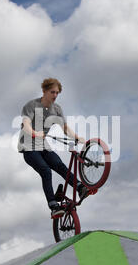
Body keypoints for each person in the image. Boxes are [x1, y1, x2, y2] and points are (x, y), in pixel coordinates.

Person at [18, 78, 90, 218]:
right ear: (44, 91)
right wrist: (34, 133)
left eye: (57, 93)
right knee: (46, 171)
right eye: (52, 92)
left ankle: (80, 188)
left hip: (44, 146)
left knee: (59, 165)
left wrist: (76, 137)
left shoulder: (57, 109)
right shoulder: (31, 105)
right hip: (28, 147)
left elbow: (64, 128)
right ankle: (53, 206)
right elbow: (26, 124)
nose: (55, 95)